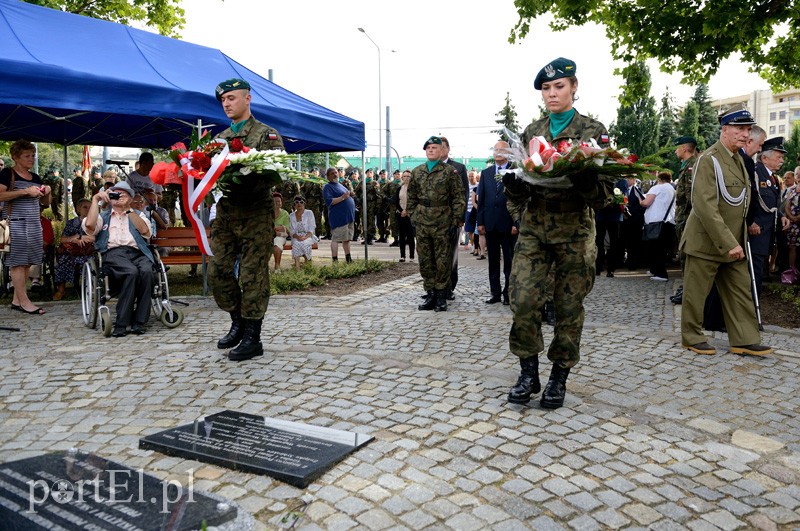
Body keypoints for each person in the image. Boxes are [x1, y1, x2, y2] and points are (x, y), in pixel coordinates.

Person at [503, 57, 613, 409]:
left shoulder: (593, 132)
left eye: (559, 86)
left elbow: (605, 198)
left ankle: (558, 377)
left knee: (568, 307)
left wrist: (585, 182)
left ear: (574, 87)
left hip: (575, 232)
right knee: (521, 301)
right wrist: (514, 188)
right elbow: (520, 187)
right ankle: (528, 372)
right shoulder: (532, 131)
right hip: (535, 229)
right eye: (546, 88)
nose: (552, 93)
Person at [680, 104, 772, 357]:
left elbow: (741, 202)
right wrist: (729, 241)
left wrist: (738, 239)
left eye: (748, 130)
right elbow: (704, 206)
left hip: (734, 240)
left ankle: (744, 339)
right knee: (696, 294)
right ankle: (692, 336)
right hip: (708, 241)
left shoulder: (737, 159)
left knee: (740, 290)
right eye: (740, 129)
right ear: (725, 129)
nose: (746, 135)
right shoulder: (708, 159)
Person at [210, 78, 284, 361]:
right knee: (218, 271)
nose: (227, 104)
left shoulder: (268, 135)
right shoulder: (219, 139)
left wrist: (246, 176)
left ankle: (253, 336)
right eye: (223, 100)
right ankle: (237, 322)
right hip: (228, 213)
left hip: (255, 213)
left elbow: (278, 174)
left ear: (247, 99)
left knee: (252, 274)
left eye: (231, 98)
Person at [83, 181, 153, 336]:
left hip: (138, 252)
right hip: (113, 253)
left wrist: (128, 210)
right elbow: (89, 225)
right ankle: (122, 323)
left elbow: (145, 232)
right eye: (115, 193)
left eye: (123, 194)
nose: (119, 196)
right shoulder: (103, 217)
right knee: (131, 271)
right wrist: (95, 200)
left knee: (147, 271)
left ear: (130, 198)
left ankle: (139, 321)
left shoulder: (138, 214)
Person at [407, 136, 466, 312]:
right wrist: (413, 217)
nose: (431, 150)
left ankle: (441, 296)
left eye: (435, 147)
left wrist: (455, 220)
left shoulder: (450, 171)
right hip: (423, 222)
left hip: (442, 222)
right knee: (425, 259)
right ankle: (430, 293)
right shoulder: (417, 172)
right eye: (429, 148)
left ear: (442, 151)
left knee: (443, 260)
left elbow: (458, 197)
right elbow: (411, 198)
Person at [0, 140, 51, 314]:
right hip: (16, 223)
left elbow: (45, 203)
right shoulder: (7, 173)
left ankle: (16, 300)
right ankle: (25, 301)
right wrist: (24, 191)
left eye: (33, 155)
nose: (32, 159)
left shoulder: (35, 177)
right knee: (17, 264)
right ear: (15, 157)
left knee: (28, 262)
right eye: (27, 156)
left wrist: (47, 193)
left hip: (34, 223)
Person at [478, 141, 518, 305]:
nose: (498, 152)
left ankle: (508, 294)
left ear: (508, 153)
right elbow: (482, 199)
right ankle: (495, 293)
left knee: (509, 261)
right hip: (490, 224)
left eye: (502, 150)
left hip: (508, 225)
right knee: (492, 261)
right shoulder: (486, 173)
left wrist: (516, 223)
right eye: (496, 149)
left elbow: (518, 199)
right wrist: (480, 222)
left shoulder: (515, 171)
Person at [749, 137, 790, 296]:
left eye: (782, 157)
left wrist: (780, 215)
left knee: (758, 273)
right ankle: (751, 310)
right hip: (756, 233)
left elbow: (769, 204)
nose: (782, 160)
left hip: (766, 233)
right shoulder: (755, 173)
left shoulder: (771, 177)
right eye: (778, 157)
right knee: (754, 274)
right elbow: (750, 201)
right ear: (764, 158)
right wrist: (751, 221)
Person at [440, 137, 468, 300]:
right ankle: (435, 288)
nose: (439, 150)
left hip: (452, 218)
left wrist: (460, 217)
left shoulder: (458, 167)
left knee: (451, 254)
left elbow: (463, 194)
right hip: (433, 220)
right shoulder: (428, 168)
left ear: (448, 149)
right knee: (434, 254)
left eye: (442, 147)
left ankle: (449, 287)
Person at [53, 198, 94, 300]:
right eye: (85, 207)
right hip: (72, 252)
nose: (88, 209)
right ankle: (61, 291)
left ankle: (90, 289)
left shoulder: (96, 222)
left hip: (88, 252)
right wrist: (73, 238)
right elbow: (62, 239)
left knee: (91, 261)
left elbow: (98, 238)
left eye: (90, 207)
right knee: (63, 260)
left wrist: (83, 238)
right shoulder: (71, 223)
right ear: (78, 209)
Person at [640, 172, 676, 281]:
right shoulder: (673, 190)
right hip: (669, 221)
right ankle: (655, 270)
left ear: (659, 179)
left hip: (657, 221)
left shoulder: (657, 188)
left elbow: (646, 203)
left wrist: (640, 201)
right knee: (662, 248)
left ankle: (661, 273)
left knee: (655, 248)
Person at [322, 167, 355, 263]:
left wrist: (350, 194)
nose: (335, 174)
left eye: (336, 172)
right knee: (336, 239)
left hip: (348, 217)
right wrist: (343, 197)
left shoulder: (340, 185)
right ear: (328, 177)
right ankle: (335, 260)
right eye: (332, 173)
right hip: (339, 218)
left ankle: (348, 258)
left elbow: (346, 196)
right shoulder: (327, 187)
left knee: (347, 239)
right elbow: (330, 201)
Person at [393, 169, 416, 262]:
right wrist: (401, 211)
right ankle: (402, 256)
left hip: (410, 215)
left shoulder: (414, 189)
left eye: (408, 176)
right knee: (401, 235)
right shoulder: (399, 188)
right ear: (402, 178)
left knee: (410, 236)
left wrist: (407, 211)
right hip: (400, 214)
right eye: (405, 176)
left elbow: (414, 201)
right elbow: (396, 201)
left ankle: (411, 256)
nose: (406, 178)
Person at [289, 196, 316, 267]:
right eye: (296, 202)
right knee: (296, 244)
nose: (299, 204)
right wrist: (297, 237)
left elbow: (312, 228)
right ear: (294, 205)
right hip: (296, 236)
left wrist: (305, 237)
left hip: (308, 235)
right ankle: (297, 268)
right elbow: (291, 231)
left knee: (305, 243)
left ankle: (308, 265)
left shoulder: (309, 213)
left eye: (301, 202)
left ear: (304, 204)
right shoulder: (291, 216)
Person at [271, 192, 290, 270]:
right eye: (275, 202)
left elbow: (287, 229)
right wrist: (278, 228)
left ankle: (277, 266)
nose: (277, 203)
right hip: (268, 236)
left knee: (277, 243)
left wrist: (275, 228)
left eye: (279, 201)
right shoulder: (268, 213)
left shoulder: (285, 213)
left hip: (280, 236)